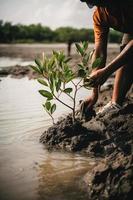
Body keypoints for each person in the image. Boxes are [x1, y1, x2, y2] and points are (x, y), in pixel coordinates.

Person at [80, 0, 133, 116]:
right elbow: (99, 52)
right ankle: (115, 104)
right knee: (125, 53)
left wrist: (107, 71)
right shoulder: (99, 15)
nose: (109, 9)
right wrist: (94, 94)